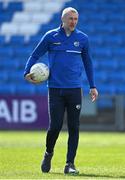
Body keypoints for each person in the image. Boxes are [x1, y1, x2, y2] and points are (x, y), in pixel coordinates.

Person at [24, 7, 98, 174]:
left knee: (74, 127)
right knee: (55, 126)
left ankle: (69, 164)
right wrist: (26, 72)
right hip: (56, 90)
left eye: (76, 19)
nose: (73, 22)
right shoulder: (50, 36)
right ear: (63, 19)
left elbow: (88, 63)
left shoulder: (83, 39)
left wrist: (92, 86)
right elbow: (35, 55)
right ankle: (48, 153)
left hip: (74, 90)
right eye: (71, 18)